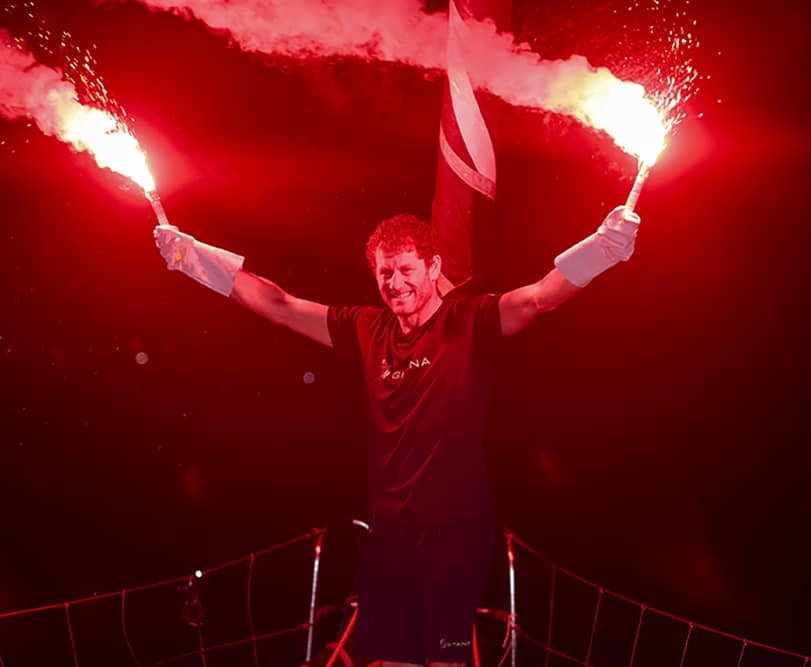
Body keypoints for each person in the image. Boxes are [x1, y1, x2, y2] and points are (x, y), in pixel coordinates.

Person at [153, 205, 640, 667]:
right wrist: (193, 258)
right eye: (385, 272)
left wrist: (603, 248)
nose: (395, 283)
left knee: (446, 659)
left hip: (455, 532)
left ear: (433, 268)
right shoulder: (366, 328)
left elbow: (539, 298)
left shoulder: (470, 321)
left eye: (406, 269)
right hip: (389, 534)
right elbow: (280, 305)